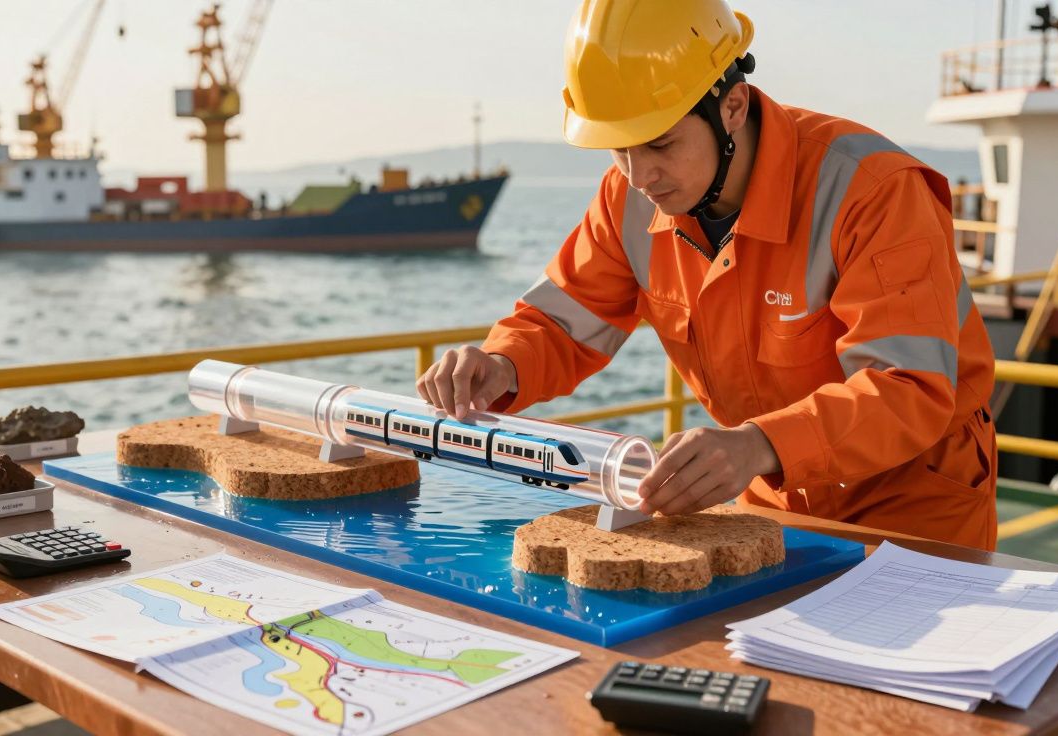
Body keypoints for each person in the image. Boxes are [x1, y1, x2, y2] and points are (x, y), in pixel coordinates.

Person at [416, 0, 998, 550]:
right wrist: (501, 364)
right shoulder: (630, 195)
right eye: (617, 150)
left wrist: (758, 444)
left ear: (733, 107)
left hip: (914, 501)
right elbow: (565, 321)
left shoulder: (873, 190)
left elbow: (909, 388)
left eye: (660, 143)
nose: (639, 174)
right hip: (772, 489)